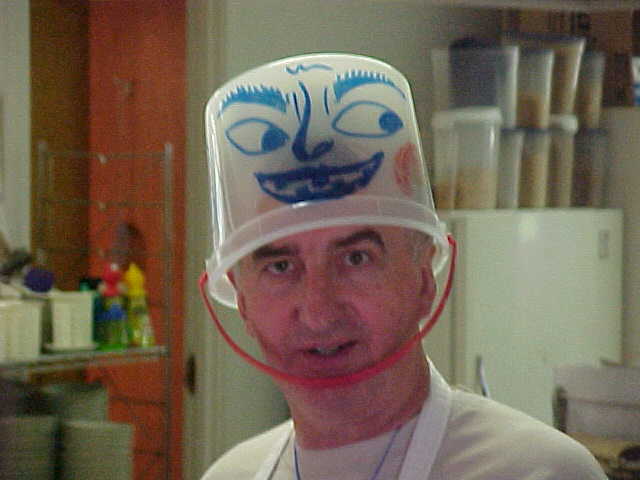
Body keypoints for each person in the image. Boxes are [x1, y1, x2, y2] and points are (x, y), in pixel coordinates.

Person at [198, 53, 606, 480]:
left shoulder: (540, 471)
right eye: (281, 266)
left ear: (424, 279)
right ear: (242, 301)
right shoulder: (231, 475)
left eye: (356, 258)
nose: (319, 312)